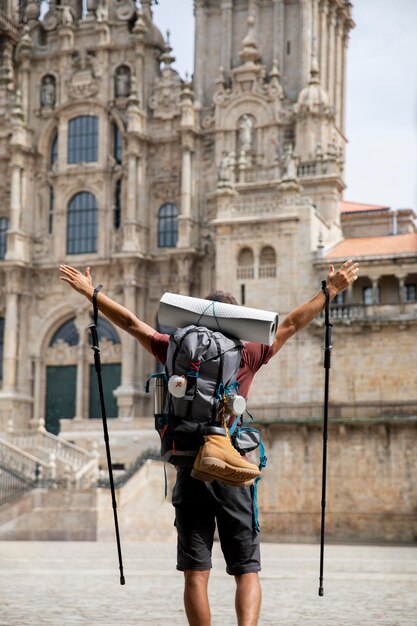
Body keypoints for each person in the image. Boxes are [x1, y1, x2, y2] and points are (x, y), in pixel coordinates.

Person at [59, 259, 359, 626]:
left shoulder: (174, 347)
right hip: (231, 467)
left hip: (189, 466)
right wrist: (330, 290)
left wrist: (91, 293)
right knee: (246, 569)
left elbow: (129, 323)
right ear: (236, 320)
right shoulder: (249, 352)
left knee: (195, 572)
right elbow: (293, 322)